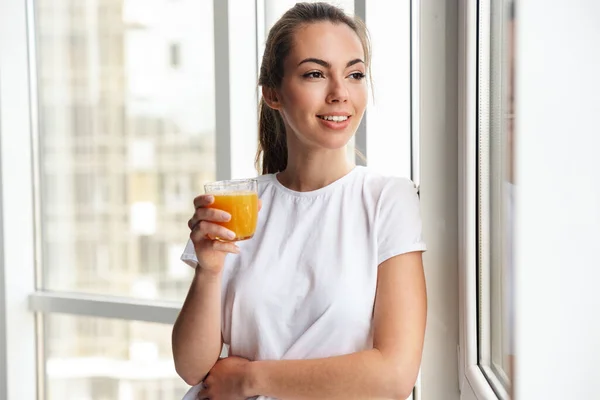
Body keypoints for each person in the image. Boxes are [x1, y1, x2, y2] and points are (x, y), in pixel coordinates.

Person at [172, 3, 427, 399]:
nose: (340, 93)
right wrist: (208, 271)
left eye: (355, 74)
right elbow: (192, 368)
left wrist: (250, 379)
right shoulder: (237, 203)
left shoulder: (386, 200)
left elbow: (394, 376)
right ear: (273, 93)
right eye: (315, 74)